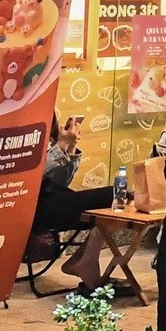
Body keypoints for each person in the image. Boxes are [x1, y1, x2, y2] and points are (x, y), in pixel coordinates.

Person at [30, 115, 116, 290]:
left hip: (52, 200)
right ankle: (85, 263)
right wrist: (61, 146)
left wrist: (70, 147)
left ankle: (84, 259)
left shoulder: (48, 137)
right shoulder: (20, 138)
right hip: (30, 210)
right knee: (115, 196)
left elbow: (60, 182)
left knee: (117, 198)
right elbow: (28, 178)